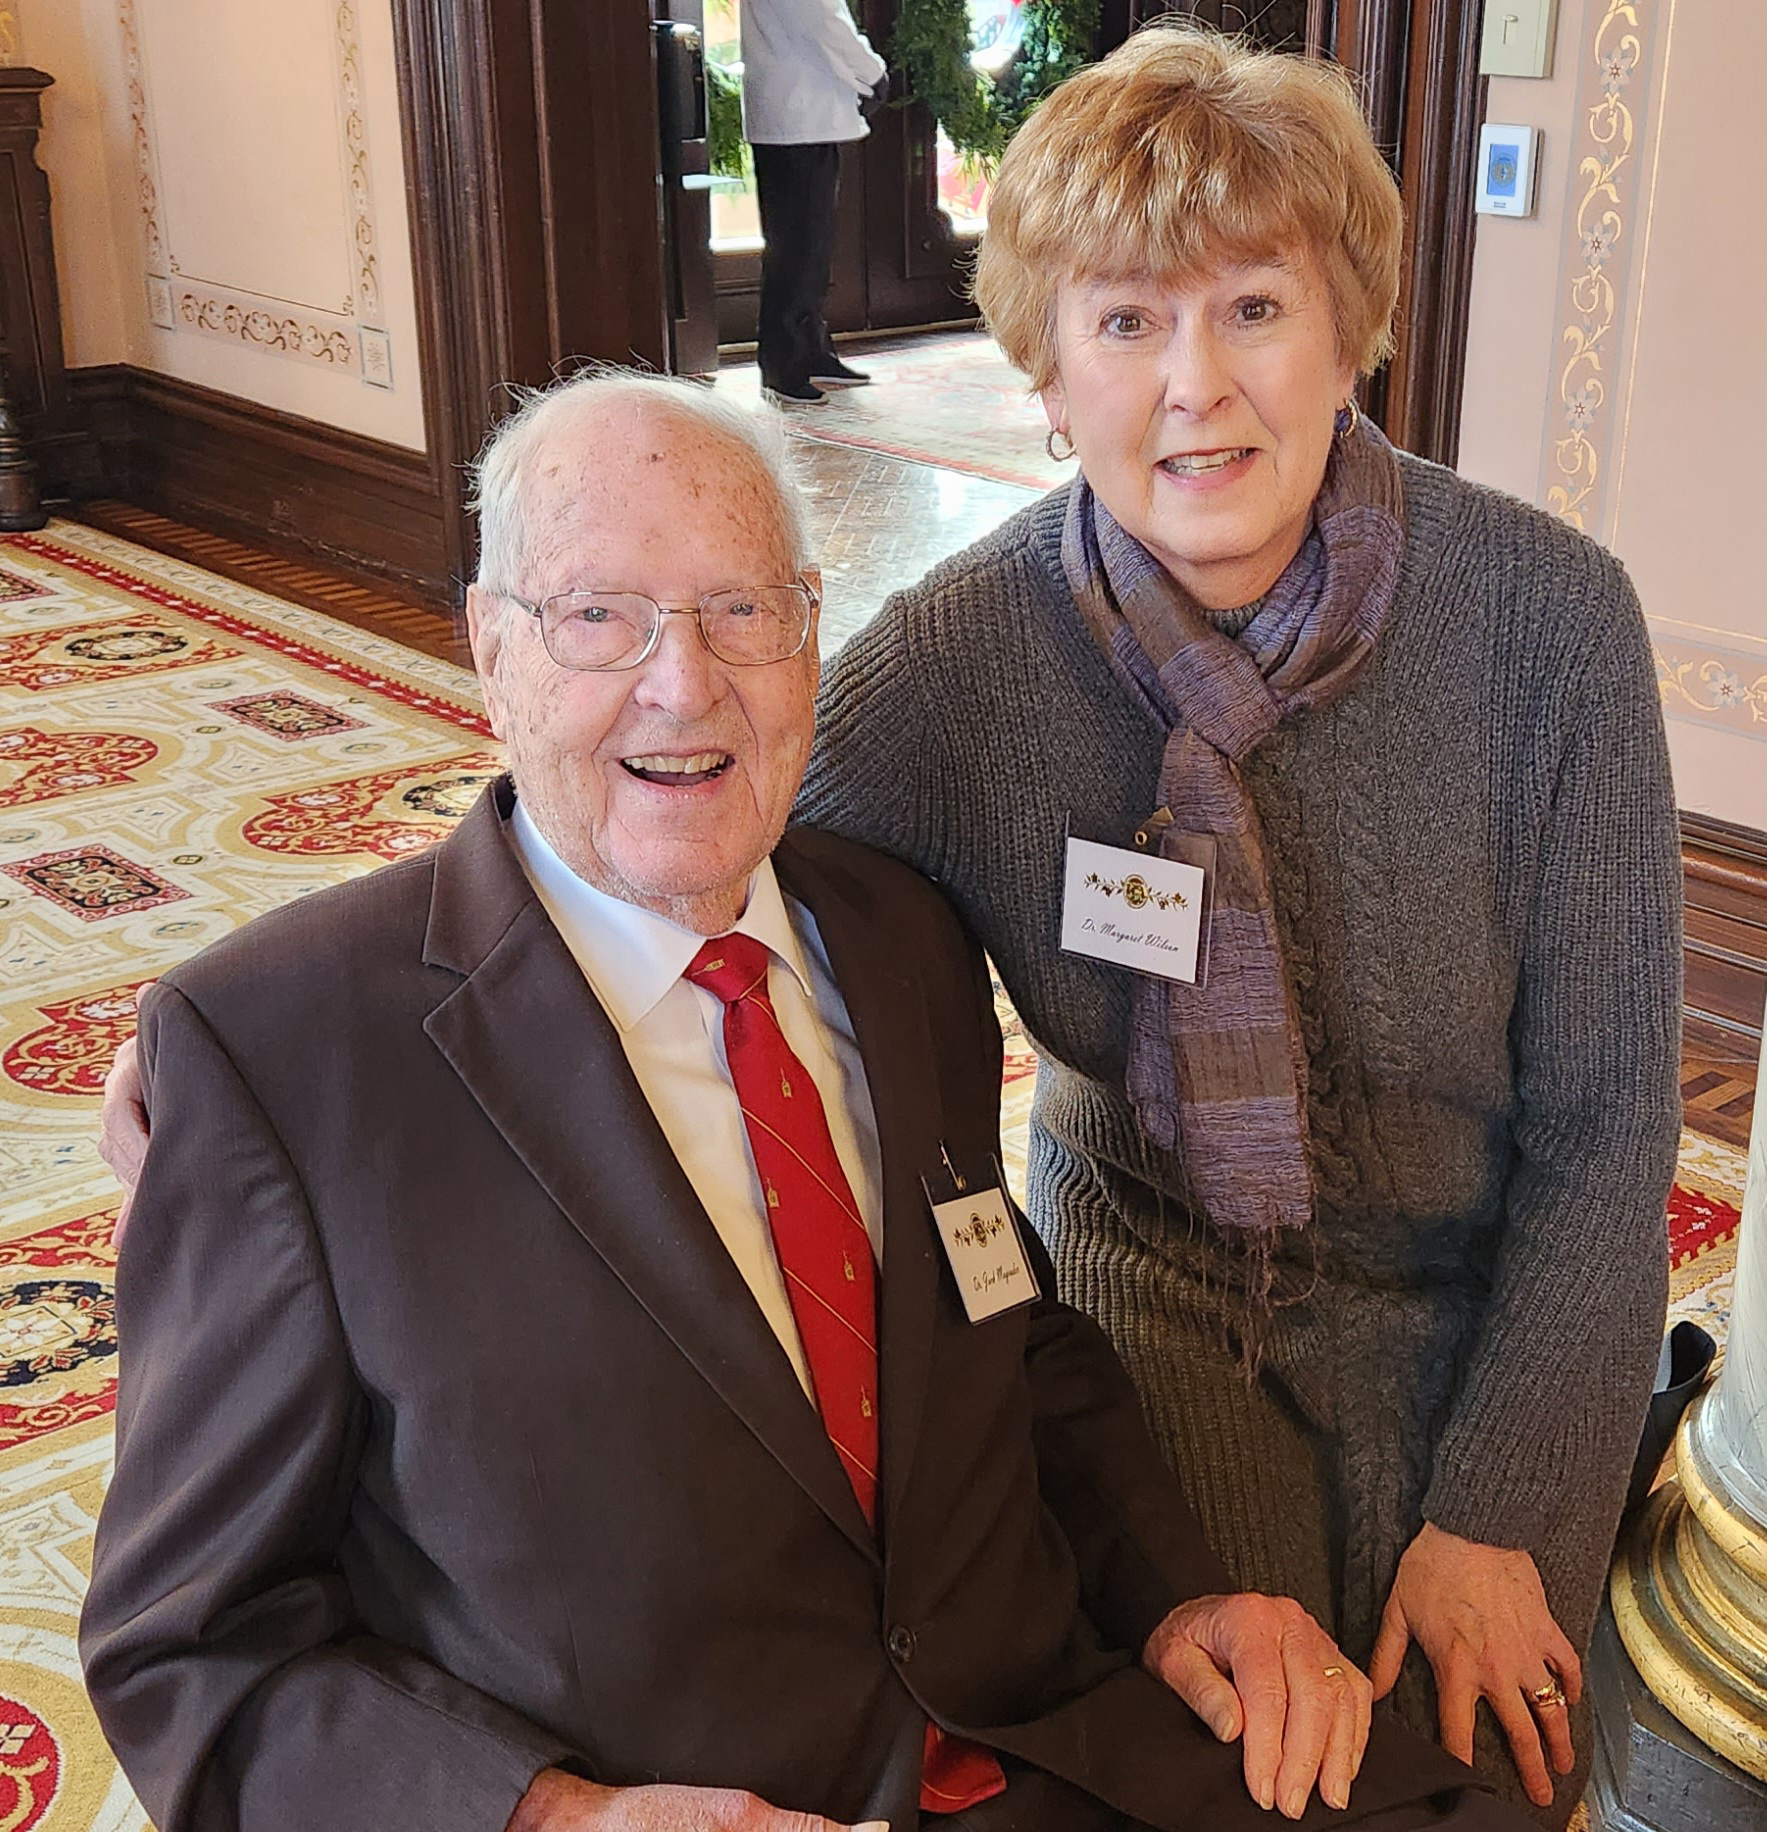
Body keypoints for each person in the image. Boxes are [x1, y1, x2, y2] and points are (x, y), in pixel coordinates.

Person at [80, 371, 1533, 1832]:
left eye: (742, 611)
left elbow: (1003, 1339)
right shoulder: (283, 1056)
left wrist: (1182, 1600)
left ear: (812, 635)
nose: (683, 682)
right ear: (488, 651)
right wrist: (550, 1818)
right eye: (598, 617)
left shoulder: (899, 936)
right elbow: (191, 1651)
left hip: (1054, 1744)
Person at [796, 26, 1682, 1831]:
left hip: (1486, 1304)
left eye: (1252, 307)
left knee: (1483, 1771)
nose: (1193, 387)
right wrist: (284, 1051)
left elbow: (1607, 1134)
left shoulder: (1547, 625)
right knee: (1231, 1779)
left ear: (1351, 326)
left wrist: (1503, 1505)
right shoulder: (947, 671)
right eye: (1123, 322)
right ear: (1045, 370)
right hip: (1152, 1308)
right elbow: (673, 856)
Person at [740, 0, 886, 402]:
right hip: (796, 113)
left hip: (800, 112)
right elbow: (822, 20)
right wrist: (873, 72)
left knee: (812, 247)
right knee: (797, 248)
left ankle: (811, 351)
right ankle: (783, 363)